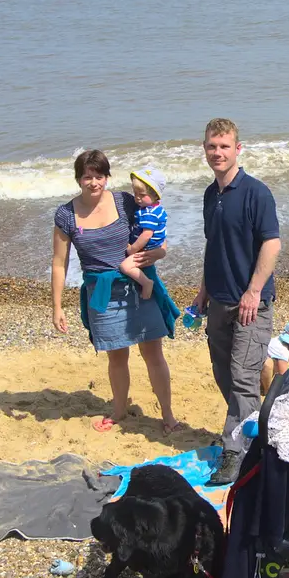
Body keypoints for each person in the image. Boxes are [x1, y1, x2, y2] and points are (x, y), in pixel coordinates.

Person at [51, 150, 179, 434]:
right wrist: (57, 307)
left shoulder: (125, 201)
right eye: (87, 177)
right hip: (103, 293)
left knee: (153, 353)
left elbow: (160, 237)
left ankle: (168, 415)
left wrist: (157, 254)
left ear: (107, 177)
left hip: (139, 286)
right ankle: (119, 410)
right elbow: (60, 263)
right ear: (78, 179)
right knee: (117, 357)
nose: (94, 182)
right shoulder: (66, 215)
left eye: (99, 176)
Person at [192, 119, 282, 483]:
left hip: (252, 304)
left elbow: (271, 243)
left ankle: (235, 451)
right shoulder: (209, 195)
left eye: (225, 146)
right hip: (219, 301)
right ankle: (252, 433)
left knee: (244, 378)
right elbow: (213, 247)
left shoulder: (256, 193)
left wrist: (254, 290)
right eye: (212, 147)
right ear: (205, 150)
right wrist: (203, 290)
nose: (218, 153)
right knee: (224, 373)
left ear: (238, 149)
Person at [119, 168, 169, 301]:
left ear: (155, 195)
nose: (137, 198)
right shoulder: (157, 209)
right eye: (135, 193)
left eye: (142, 194)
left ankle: (146, 283)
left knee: (125, 266)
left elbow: (146, 235)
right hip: (155, 246)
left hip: (146, 249)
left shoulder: (148, 213)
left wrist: (132, 249)